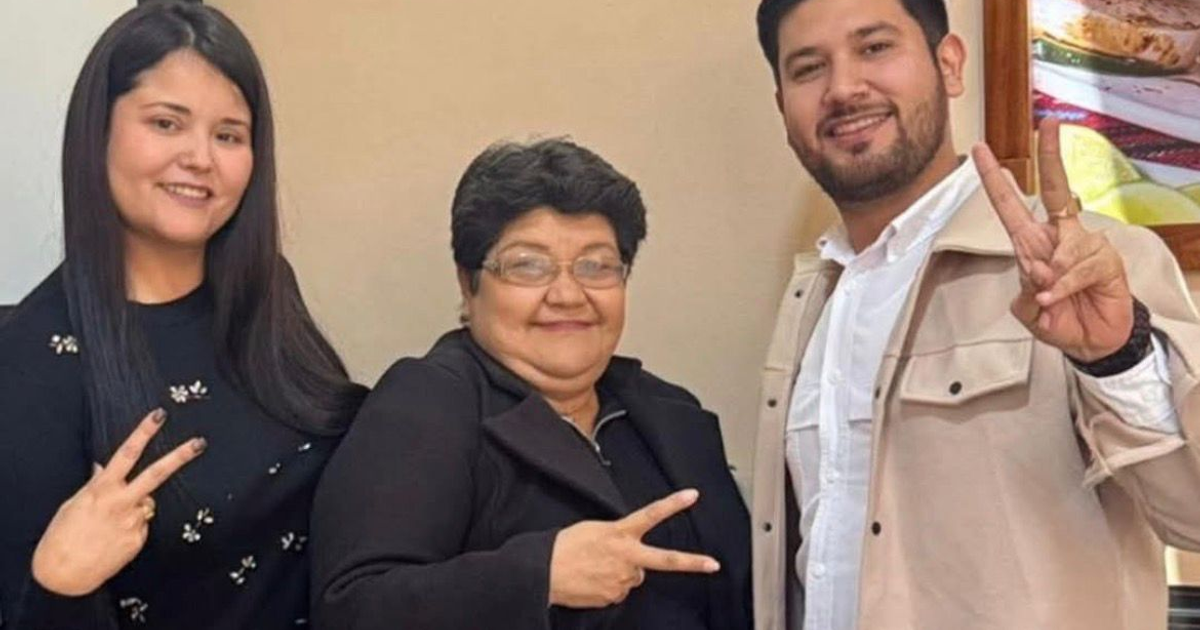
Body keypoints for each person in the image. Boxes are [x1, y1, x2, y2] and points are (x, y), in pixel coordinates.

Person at [749, 0, 1200, 628]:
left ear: (950, 65)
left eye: (875, 47)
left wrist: (1116, 356)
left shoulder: (1098, 267)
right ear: (783, 108)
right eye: (808, 68)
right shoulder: (814, 297)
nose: (844, 87)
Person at [0, 3, 367, 628]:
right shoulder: (33, 361)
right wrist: (60, 582)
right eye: (167, 123)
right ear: (99, 133)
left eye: (228, 135)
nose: (201, 157)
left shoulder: (269, 287)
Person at [311, 139, 753, 629]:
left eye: (596, 265)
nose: (567, 294)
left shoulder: (671, 413)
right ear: (468, 283)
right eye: (528, 265)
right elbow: (353, 608)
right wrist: (538, 575)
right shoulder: (425, 404)